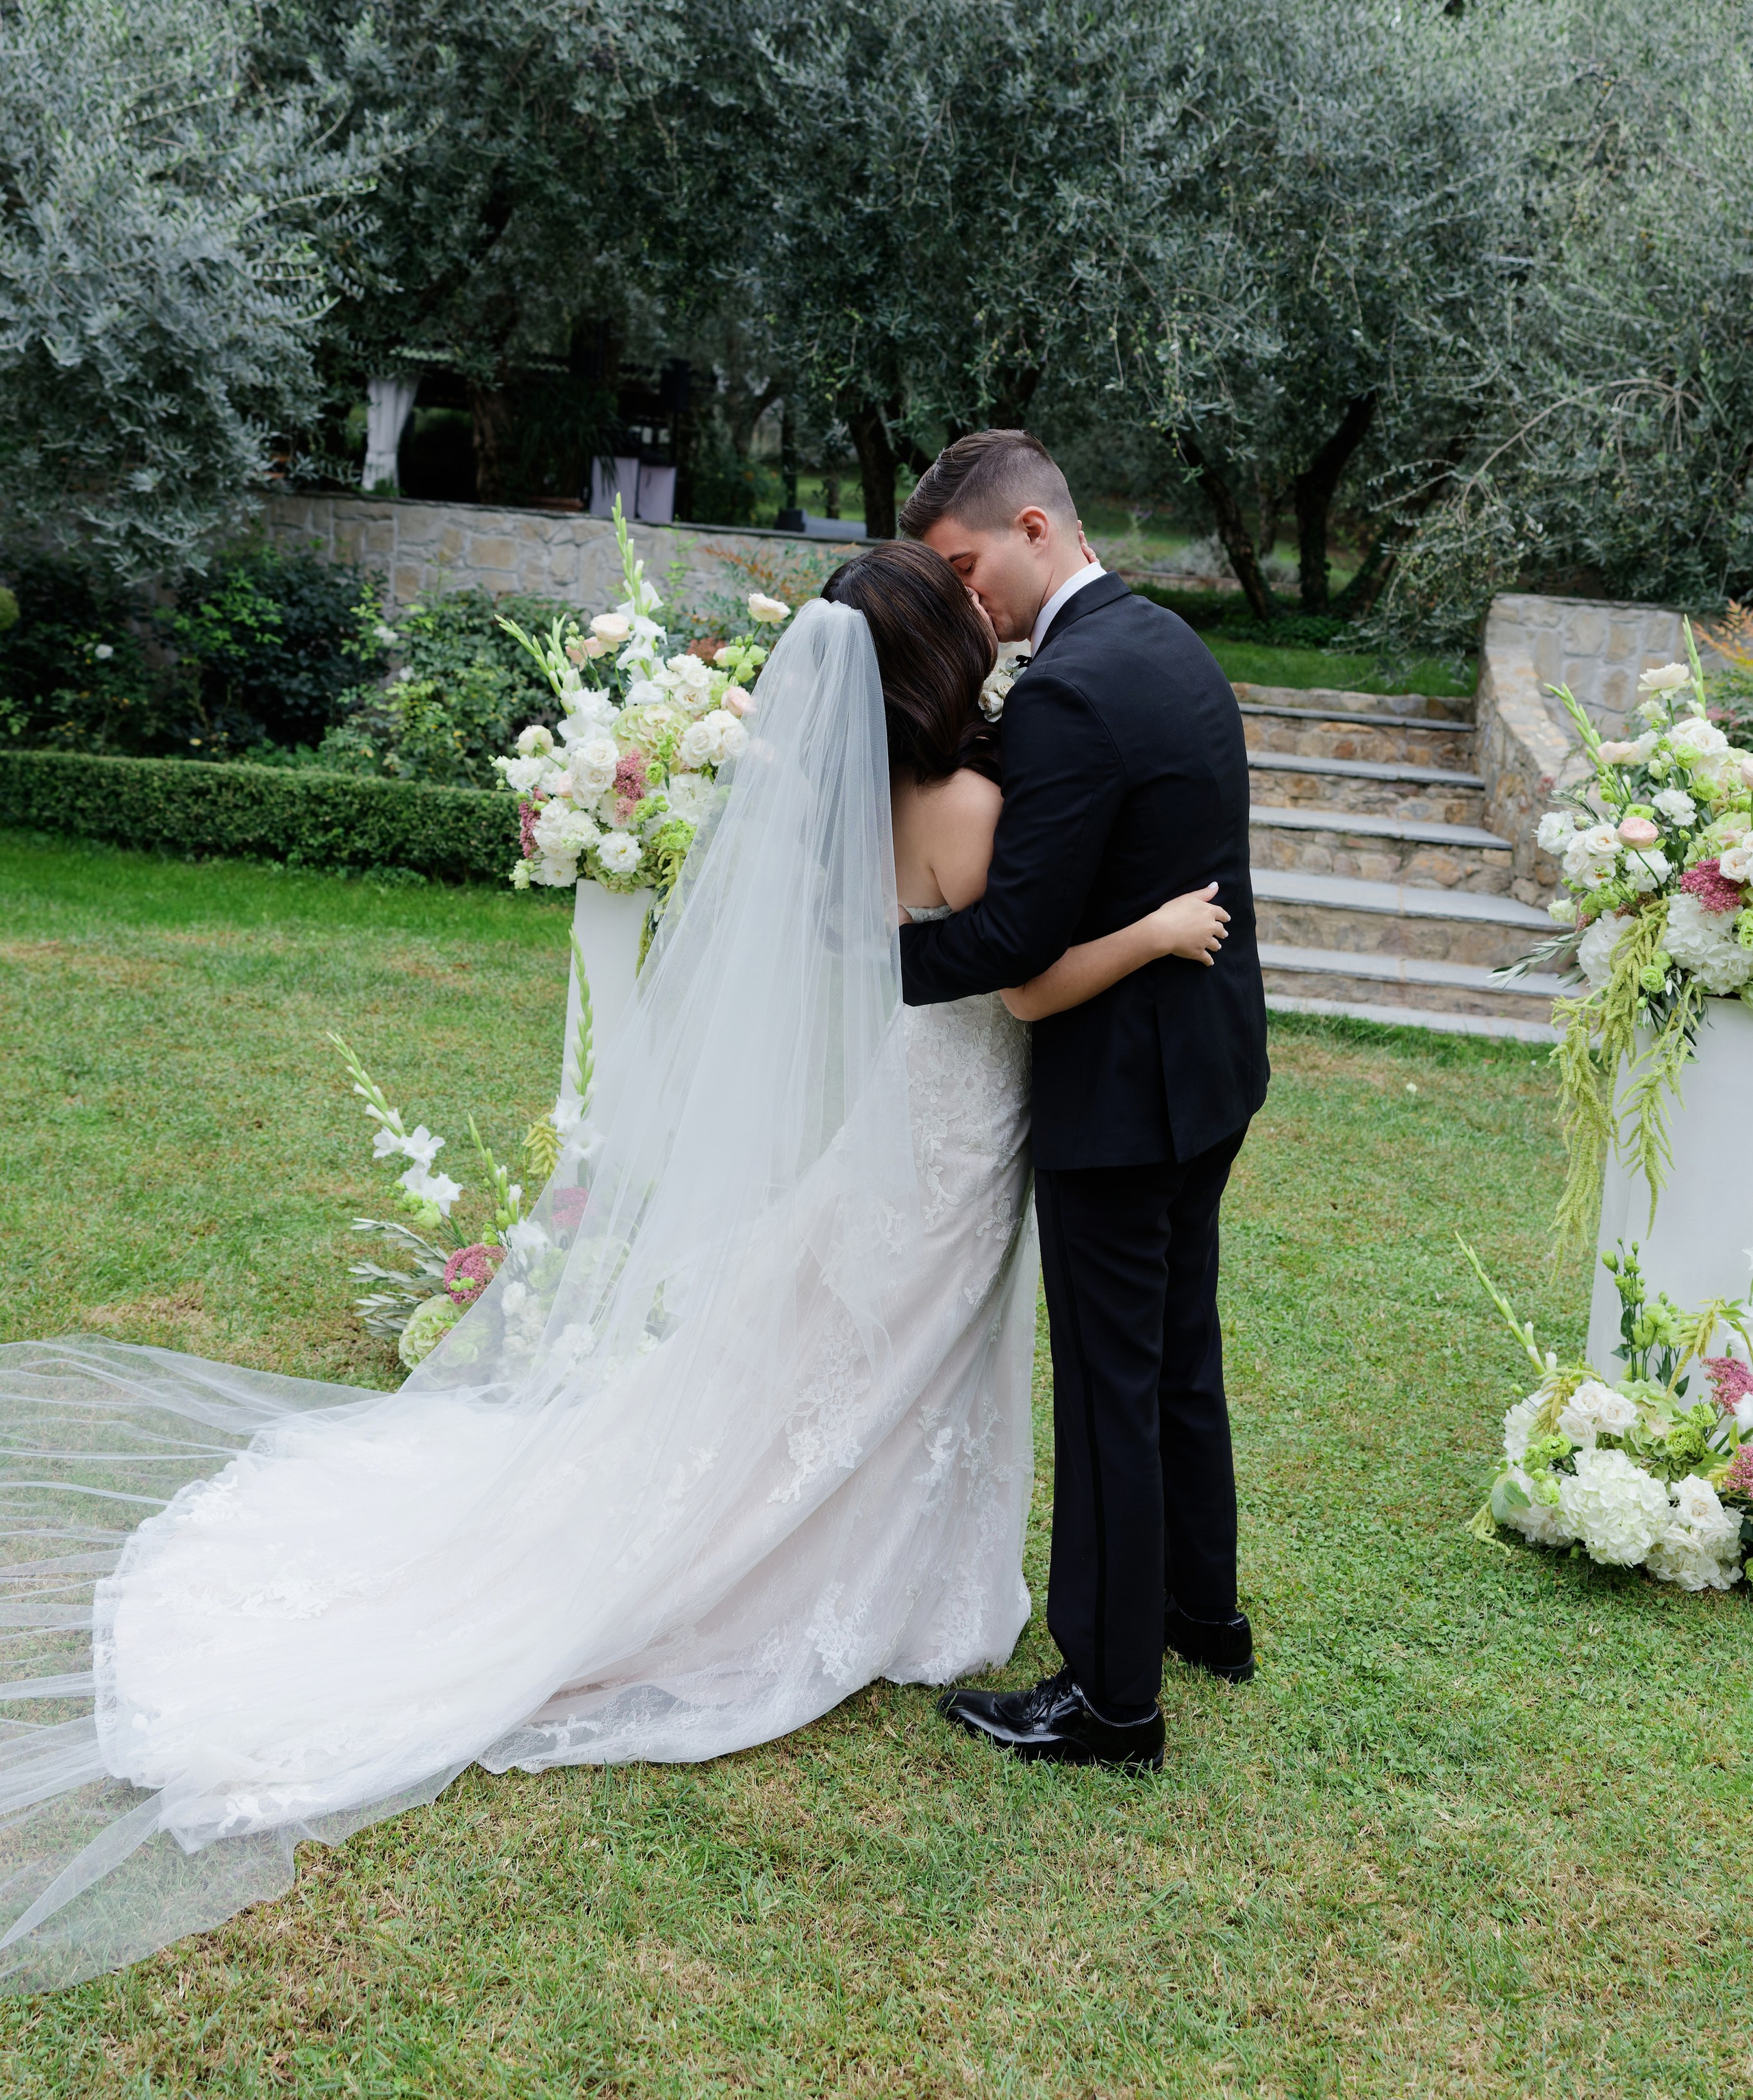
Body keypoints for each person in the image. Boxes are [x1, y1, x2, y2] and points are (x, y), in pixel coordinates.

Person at [0, 549, 1218, 1992]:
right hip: (951, 1146)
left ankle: (884, 1558)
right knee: (889, 1357)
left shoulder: (870, 804)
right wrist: (1154, 927)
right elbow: (1020, 977)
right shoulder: (966, 803)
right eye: (963, 624)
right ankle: (862, 1572)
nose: (987, 634)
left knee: (848, 1356)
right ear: (933, 666)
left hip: (912, 1128)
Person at [896, 429, 1270, 1772]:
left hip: (1119, 1090)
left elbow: (1011, 939)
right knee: (1177, 1351)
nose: (961, 599)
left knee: (1111, 1383)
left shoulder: (1065, 689)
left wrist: (855, 960)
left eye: (964, 566)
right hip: (1210, 1066)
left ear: (1033, 529)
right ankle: (1199, 1613)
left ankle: (1111, 1699)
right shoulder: (1169, 642)